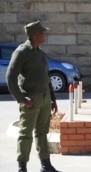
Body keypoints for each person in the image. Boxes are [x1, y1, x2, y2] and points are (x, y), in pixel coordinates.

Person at [6, 21, 60, 172]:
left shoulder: (40, 52)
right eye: (42, 32)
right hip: (30, 100)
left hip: (45, 99)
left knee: (42, 133)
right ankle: (22, 167)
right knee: (25, 134)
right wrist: (22, 99)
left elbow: (47, 77)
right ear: (35, 35)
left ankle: (46, 165)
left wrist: (53, 99)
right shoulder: (21, 52)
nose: (44, 35)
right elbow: (10, 78)